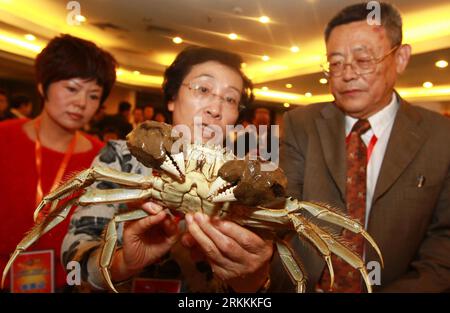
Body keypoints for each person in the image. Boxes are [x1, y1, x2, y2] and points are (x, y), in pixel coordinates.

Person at [61, 47, 273, 293]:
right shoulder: (122, 156)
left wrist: (251, 281)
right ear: (172, 98)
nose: (216, 109)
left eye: (230, 99)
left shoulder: (246, 183)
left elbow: (254, 283)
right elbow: (74, 258)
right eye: (203, 89)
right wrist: (122, 263)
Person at [271, 2, 450, 293]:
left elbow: (444, 243)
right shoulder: (300, 124)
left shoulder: (442, 136)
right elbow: (279, 213)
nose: (347, 74)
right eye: (336, 62)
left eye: (363, 59)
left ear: (401, 58)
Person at [0, 34, 117, 292]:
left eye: (93, 95)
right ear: (43, 86)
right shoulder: (4, 138)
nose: (81, 103)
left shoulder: (103, 158)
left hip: (68, 283)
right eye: (72, 89)